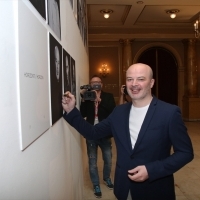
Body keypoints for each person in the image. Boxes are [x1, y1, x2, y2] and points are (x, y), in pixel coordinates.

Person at [62, 63, 193, 200]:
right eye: (130, 79)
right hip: (124, 188)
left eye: (141, 79)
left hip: (155, 189)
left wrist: (151, 170)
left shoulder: (169, 113)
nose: (134, 84)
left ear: (151, 82)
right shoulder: (119, 112)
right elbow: (92, 133)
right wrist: (71, 111)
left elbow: (185, 153)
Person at [80, 75, 116, 198]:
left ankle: (107, 178)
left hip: (105, 132)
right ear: (90, 84)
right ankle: (96, 184)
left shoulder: (108, 96)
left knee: (108, 159)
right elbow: (82, 113)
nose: (95, 84)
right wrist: (84, 100)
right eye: (93, 82)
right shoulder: (87, 96)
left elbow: (113, 111)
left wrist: (100, 101)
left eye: (98, 82)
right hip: (91, 132)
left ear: (102, 84)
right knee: (92, 161)